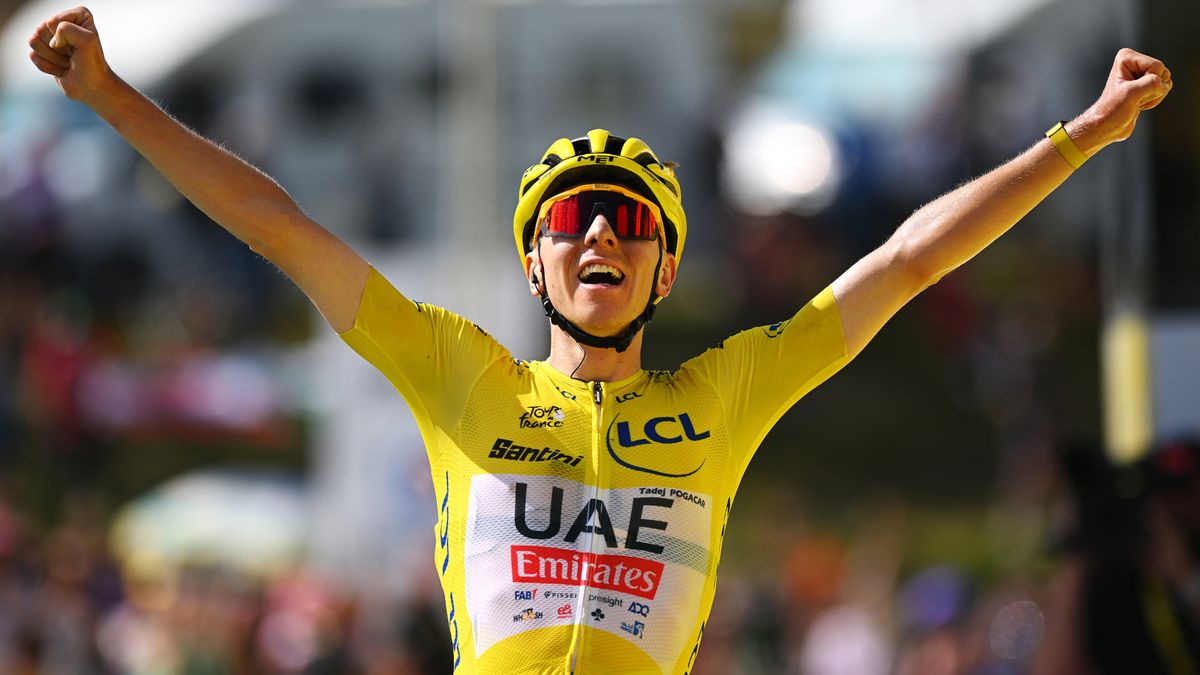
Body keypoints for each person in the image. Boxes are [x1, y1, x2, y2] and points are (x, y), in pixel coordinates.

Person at [27, 6, 1173, 674]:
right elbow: (277, 227)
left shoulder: (728, 392)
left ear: (664, 266)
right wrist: (116, 97)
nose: (599, 242)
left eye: (630, 226)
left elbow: (905, 263)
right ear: (537, 262)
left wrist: (1077, 140)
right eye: (571, 222)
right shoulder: (456, 370)